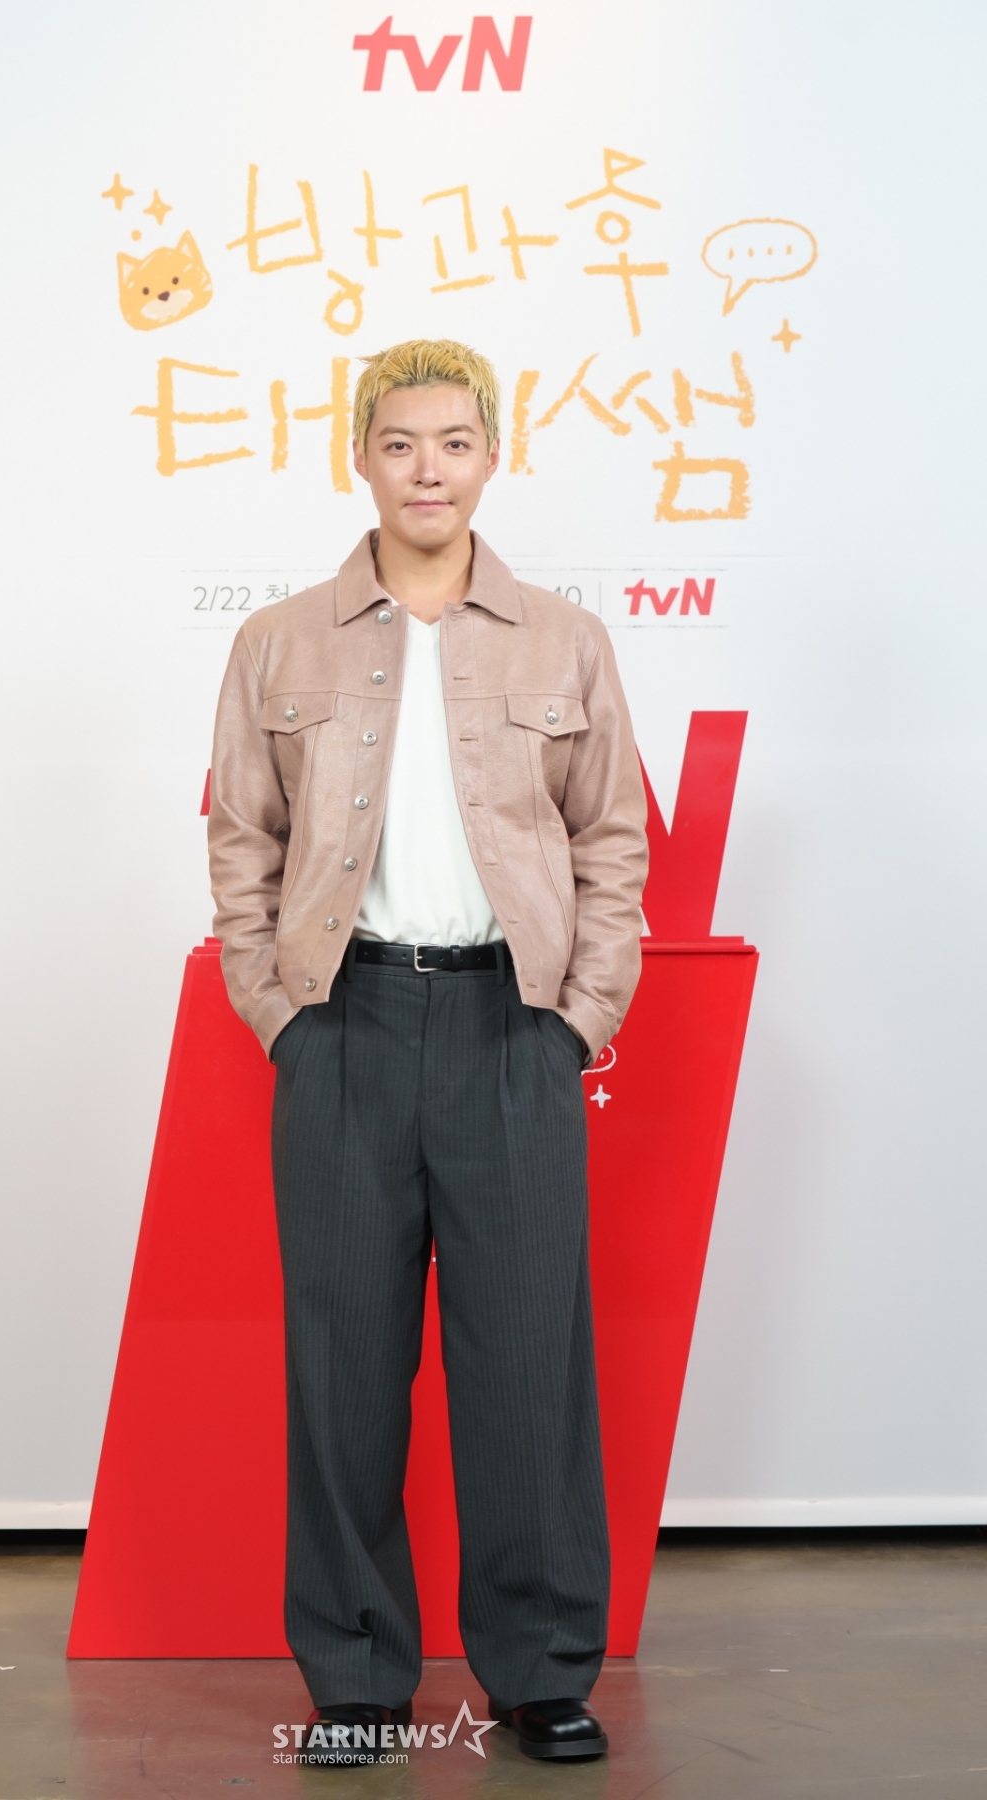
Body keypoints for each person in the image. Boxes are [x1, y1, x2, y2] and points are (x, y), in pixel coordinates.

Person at [207, 339, 647, 1763]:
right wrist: (282, 1017)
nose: (428, 470)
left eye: (455, 442)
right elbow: (243, 844)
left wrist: (575, 1019)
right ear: (361, 455)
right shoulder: (280, 641)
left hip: (512, 1034)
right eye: (400, 442)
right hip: (342, 1030)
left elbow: (611, 840)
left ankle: (541, 1670)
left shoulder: (564, 640)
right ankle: (353, 1679)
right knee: (343, 1366)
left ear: (492, 456)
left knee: (526, 1362)